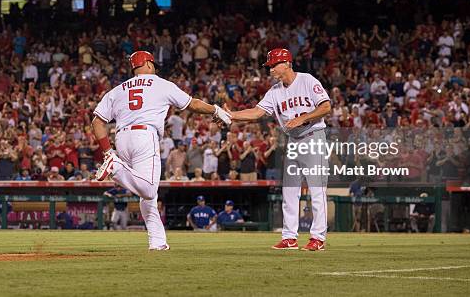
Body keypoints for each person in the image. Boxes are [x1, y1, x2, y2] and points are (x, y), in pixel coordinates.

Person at [91, 50, 231, 250]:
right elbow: (194, 104)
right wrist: (216, 110)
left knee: (147, 195)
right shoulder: (161, 84)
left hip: (121, 138)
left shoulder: (117, 90)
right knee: (148, 189)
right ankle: (116, 168)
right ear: (148, 64)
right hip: (145, 136)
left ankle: (157, 241)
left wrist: (107, 151)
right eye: (153, 65)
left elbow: (97, 122)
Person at [224, 48, 331, 251]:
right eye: (270, 66)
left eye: (274, 65)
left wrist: (303, 117)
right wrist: (232, 115)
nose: (271, 69)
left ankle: (318, 238)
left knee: (317, 190)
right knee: (289, 191)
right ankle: (289, 237)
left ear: (287, 63)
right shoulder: (274, 91)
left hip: (313, 136)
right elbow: (256, 112)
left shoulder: (307, 80)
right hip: (293, 141)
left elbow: (326, 106)